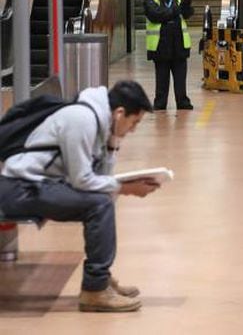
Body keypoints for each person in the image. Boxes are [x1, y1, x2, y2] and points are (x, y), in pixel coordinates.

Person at [0, 80, 159, 313]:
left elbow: (99, 178)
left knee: (103, 199)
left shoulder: (101, 122)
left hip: (38, 185)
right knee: (99, 204)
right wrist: (124, 187)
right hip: (20, 188)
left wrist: (113, 145)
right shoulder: (81, 119)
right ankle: (95, 290)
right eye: (134, 122)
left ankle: (100, 279)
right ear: (120, 113)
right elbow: (82, 180)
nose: (133, 130)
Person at [143, 0, 194, 110]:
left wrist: (187, 7)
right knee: (162, 78)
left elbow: (187, 14)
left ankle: (182, 102)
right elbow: (156, 15)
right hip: (161, 45)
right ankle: (160, 104)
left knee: (180, 77)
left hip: (179, 43)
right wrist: (177, 10)